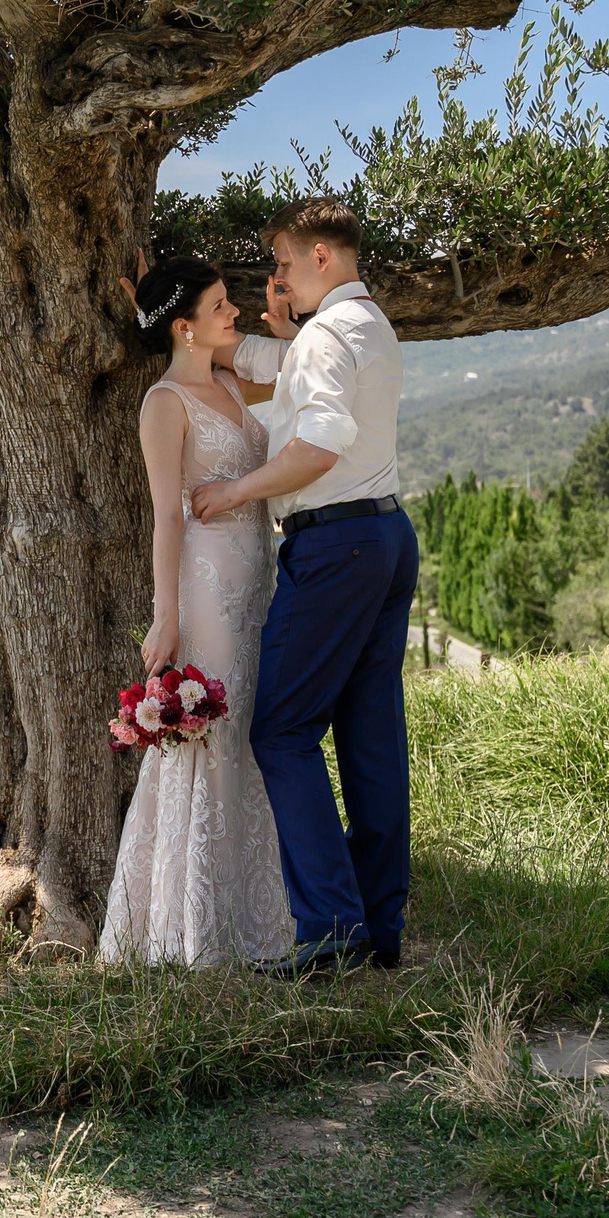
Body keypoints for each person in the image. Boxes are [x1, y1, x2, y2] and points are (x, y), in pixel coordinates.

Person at [193, 198, 417, 975]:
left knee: (281, 728)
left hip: (335, 547)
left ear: (321, 255)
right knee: (370, 735)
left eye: (285, 262)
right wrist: (279, 334)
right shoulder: (368, 324)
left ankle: (331, 923)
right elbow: (273, 365)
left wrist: (235, 490)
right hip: (386, 535)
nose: (278, 279)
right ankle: (380, 922)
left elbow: (318, 445)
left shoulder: (325, 335)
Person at [97, 255, 297, 967]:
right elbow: (166, 518)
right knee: (211, 736)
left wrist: (285, 325)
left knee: (250, 733)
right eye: (218, 306)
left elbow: (298, 369)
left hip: (257, 580)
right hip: (206, 589)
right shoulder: (164, 403)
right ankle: (189, 925)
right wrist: (166, 616)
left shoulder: (232, 382)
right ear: (184, 327)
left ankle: (258, 911)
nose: (233, 312)